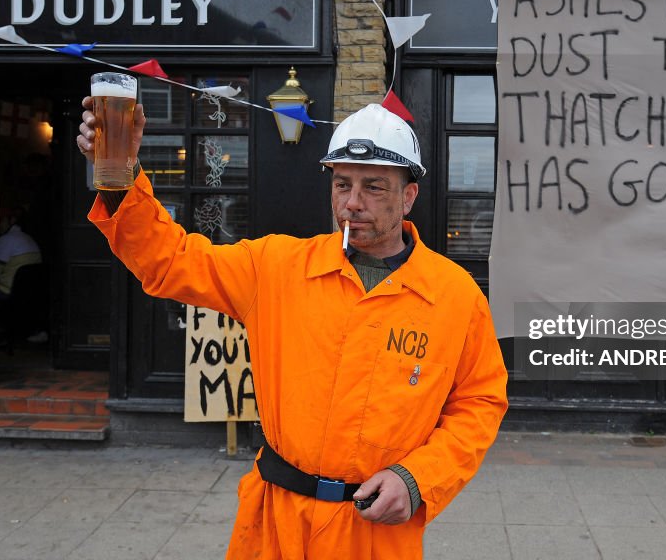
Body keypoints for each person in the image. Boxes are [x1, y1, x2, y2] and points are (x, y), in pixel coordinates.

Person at [77, 98, 508, 559]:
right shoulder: (276, 267)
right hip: (274, 524)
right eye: (342, 184)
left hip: (373, 533)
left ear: (408, 196)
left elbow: (480, 401)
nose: (353, 203)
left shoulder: (455, 296)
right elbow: (171, 261)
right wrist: (121, 181)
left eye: (374, 187)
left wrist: (420, 477)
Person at [0, 207, 47, 343]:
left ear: (11, 221)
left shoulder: (6, 240)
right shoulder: (27, 238)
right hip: (26, 293)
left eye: (1, 221)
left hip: (7, 291)